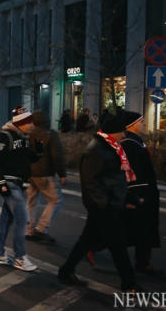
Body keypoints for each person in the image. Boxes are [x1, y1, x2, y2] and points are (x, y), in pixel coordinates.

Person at [58, 113, 139, 291]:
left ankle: (65, 271)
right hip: (103, 208)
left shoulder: (109, 147)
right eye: (121, 132)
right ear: (112, 133)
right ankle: (129, 283)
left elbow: (113, 179)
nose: (124, 135)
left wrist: (127, 197)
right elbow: (91, 182)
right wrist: (105, 205)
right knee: (118, 246)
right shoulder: (96, 150)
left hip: (106, 205)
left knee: (86, 241)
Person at [0, 106, 40, 272]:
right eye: (29, 122)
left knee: (7, 219)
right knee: (22, 219)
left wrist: (38, 152)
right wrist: (1, 183)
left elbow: (26, 160)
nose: (32, 125)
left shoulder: (24, 137)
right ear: (21, 123)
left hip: (19, 184)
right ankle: (20, 257)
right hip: (10, 184)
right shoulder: (4, 136)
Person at [121, 112, 163, 275]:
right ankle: (142, 263)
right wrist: (137, 194)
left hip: (145, 190)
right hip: (141, 192)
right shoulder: (130, 143)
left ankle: (143, 261)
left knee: (140, 228)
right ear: (132, 125)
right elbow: (133, 170)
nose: (145, 124)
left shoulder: (135, 141)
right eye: (142, 121)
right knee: (140, 228)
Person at [26, 111, 67, 244]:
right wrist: (62, 174)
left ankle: (28, 230)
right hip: (45, 173)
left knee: (30, 201)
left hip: (29, 173)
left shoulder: (27, 134)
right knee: (56, 200)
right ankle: (41, 228)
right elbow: (57, 156)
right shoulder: (51, 135)